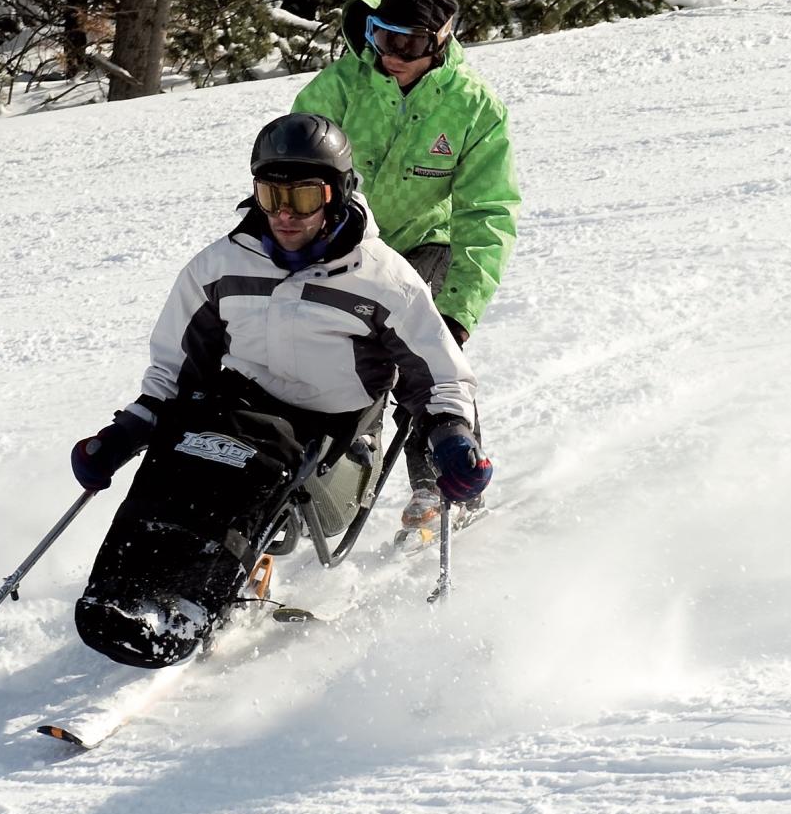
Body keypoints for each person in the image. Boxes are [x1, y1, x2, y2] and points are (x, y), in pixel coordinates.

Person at [69, 112, 491, 669]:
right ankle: (122, 591)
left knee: (247, 459)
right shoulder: (221, 266)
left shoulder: (381, 279)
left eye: (304, 197)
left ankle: (189, 605)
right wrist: (130, 429)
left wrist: (453, 434)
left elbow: (439, 372)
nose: (285, 214)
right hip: (242, 404)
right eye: (271, 195)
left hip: (332, 439)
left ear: (337, 195)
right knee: (181, 444)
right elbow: (174, 364)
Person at [290, 0, 519, 534]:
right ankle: (314, 482)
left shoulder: (473, 107)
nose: (390, 55)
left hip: (423, 242)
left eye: (408, 44)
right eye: (381, 37)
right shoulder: (342, 86)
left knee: (423, 347)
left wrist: (458, 311)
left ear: (440, 41)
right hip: (340, 241)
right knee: (316, 347)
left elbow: (487, 213)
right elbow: (293, 159)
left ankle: (441, 483)